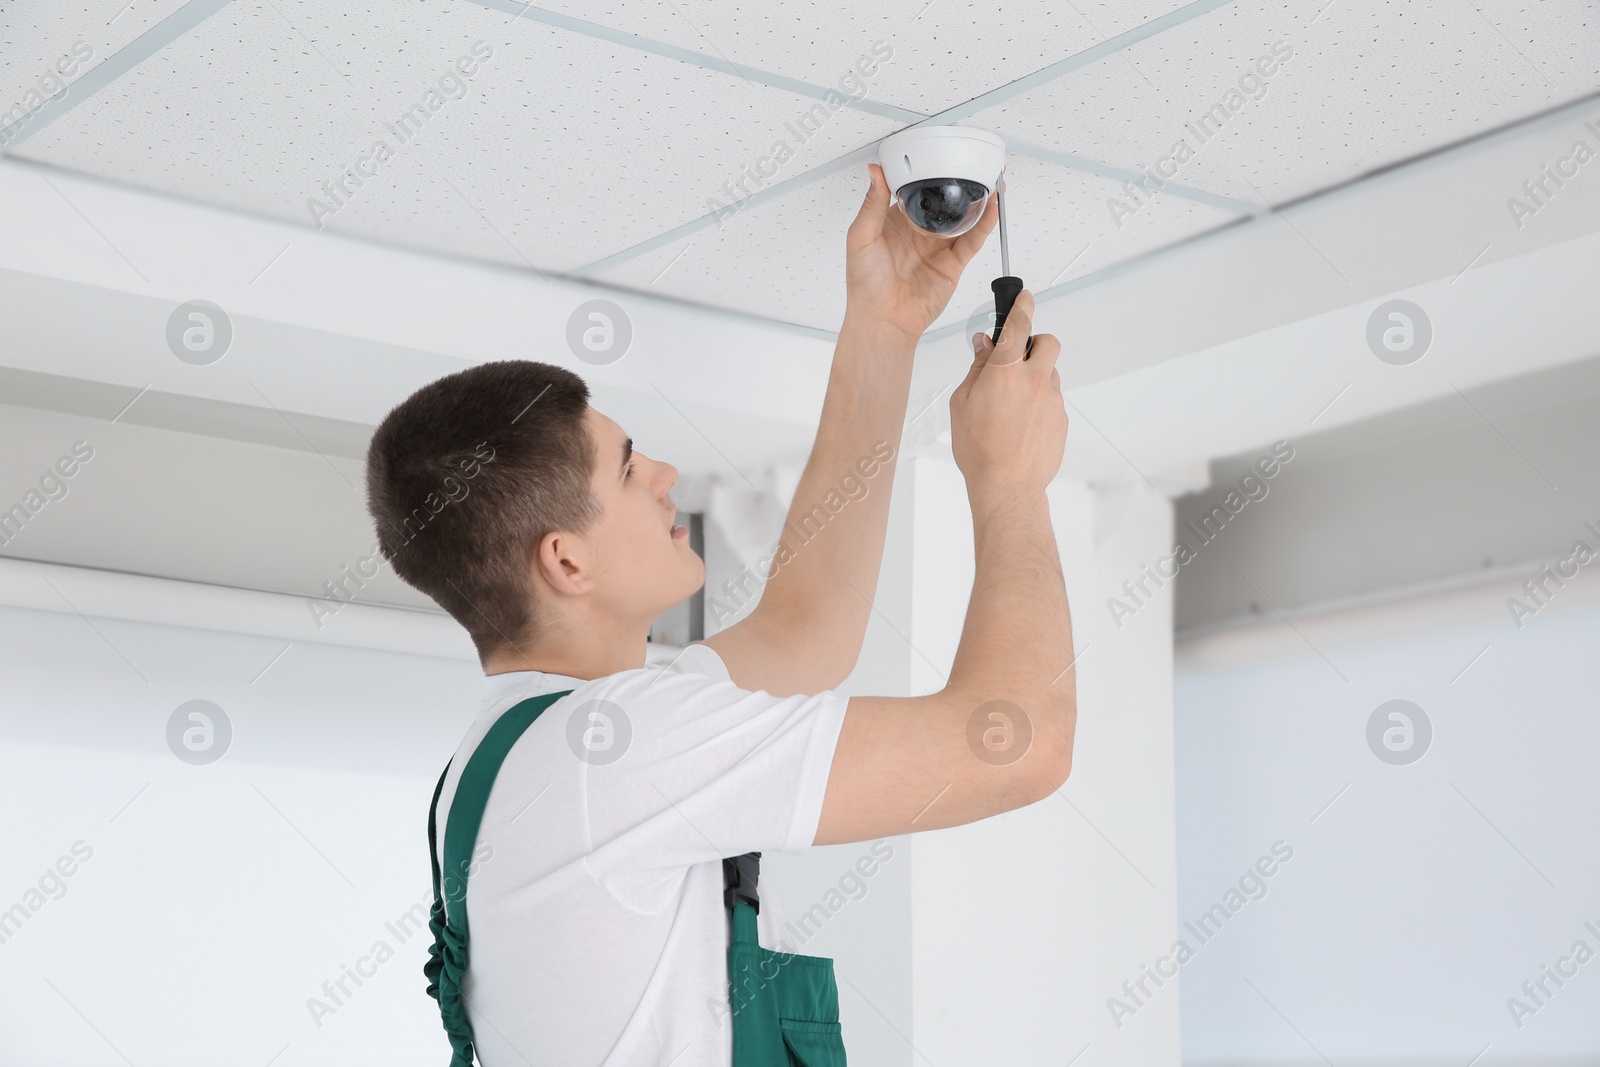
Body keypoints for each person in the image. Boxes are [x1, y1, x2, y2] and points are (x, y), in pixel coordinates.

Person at [364, 161, 1075, 1066]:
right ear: (566, 560)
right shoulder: (611, 748)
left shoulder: (541, 745)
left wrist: (886, 331)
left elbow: (806, 629)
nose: (663, 474)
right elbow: (1018, 742)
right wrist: (1011, 483)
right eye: (626, 468)